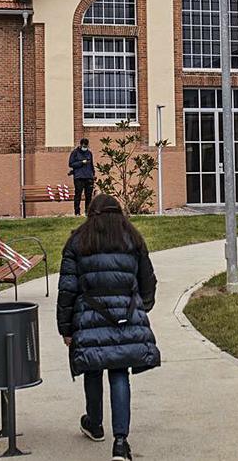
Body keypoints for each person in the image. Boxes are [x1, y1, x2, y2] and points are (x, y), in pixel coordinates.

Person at [57, 194, 159, 461]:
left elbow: (67, 289)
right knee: (119, 370)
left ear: (91, 213)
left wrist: (65, 328)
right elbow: (148, 280)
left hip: (89, 316)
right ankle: (121, 443)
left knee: (93, 367)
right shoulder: (133, 239)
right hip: (125, 316)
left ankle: (94, 422)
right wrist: (142, 306)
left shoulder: (78, 241)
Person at [68, 138, 95, 216]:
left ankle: (88, 211)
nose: (85, 147)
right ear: (80, 145)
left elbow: (91, 164)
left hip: (88, 177)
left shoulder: (89, 153)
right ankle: (77, 212)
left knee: (89, 195)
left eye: (86, 146)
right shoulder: (75, 153)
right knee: (78, 195)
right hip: (79, 177)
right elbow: (71, 164)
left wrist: (93, 174)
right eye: (84, 145)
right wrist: (81, 162)